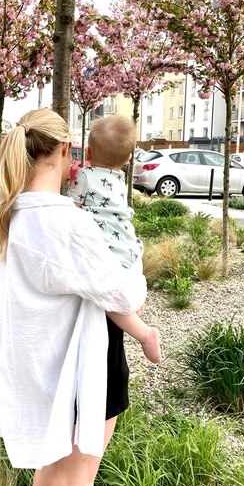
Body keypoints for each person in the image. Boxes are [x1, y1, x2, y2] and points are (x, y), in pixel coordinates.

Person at [0, 108, 147, 486]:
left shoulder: (3, 224)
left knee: (50, 472)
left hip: (40, 375)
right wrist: (137, 256)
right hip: (84, 372)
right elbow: (127, 297)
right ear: (67, 152)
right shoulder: (67, 224)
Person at [70, 114, 161, 365]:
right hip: (130, 247)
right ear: (129, 158)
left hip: (109, 253)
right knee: (127, 287)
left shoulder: (85, 175)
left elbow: (73, 209)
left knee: (106, 300)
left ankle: (144, 333)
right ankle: (133, 303)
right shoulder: (120, 179)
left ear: (87, 151)